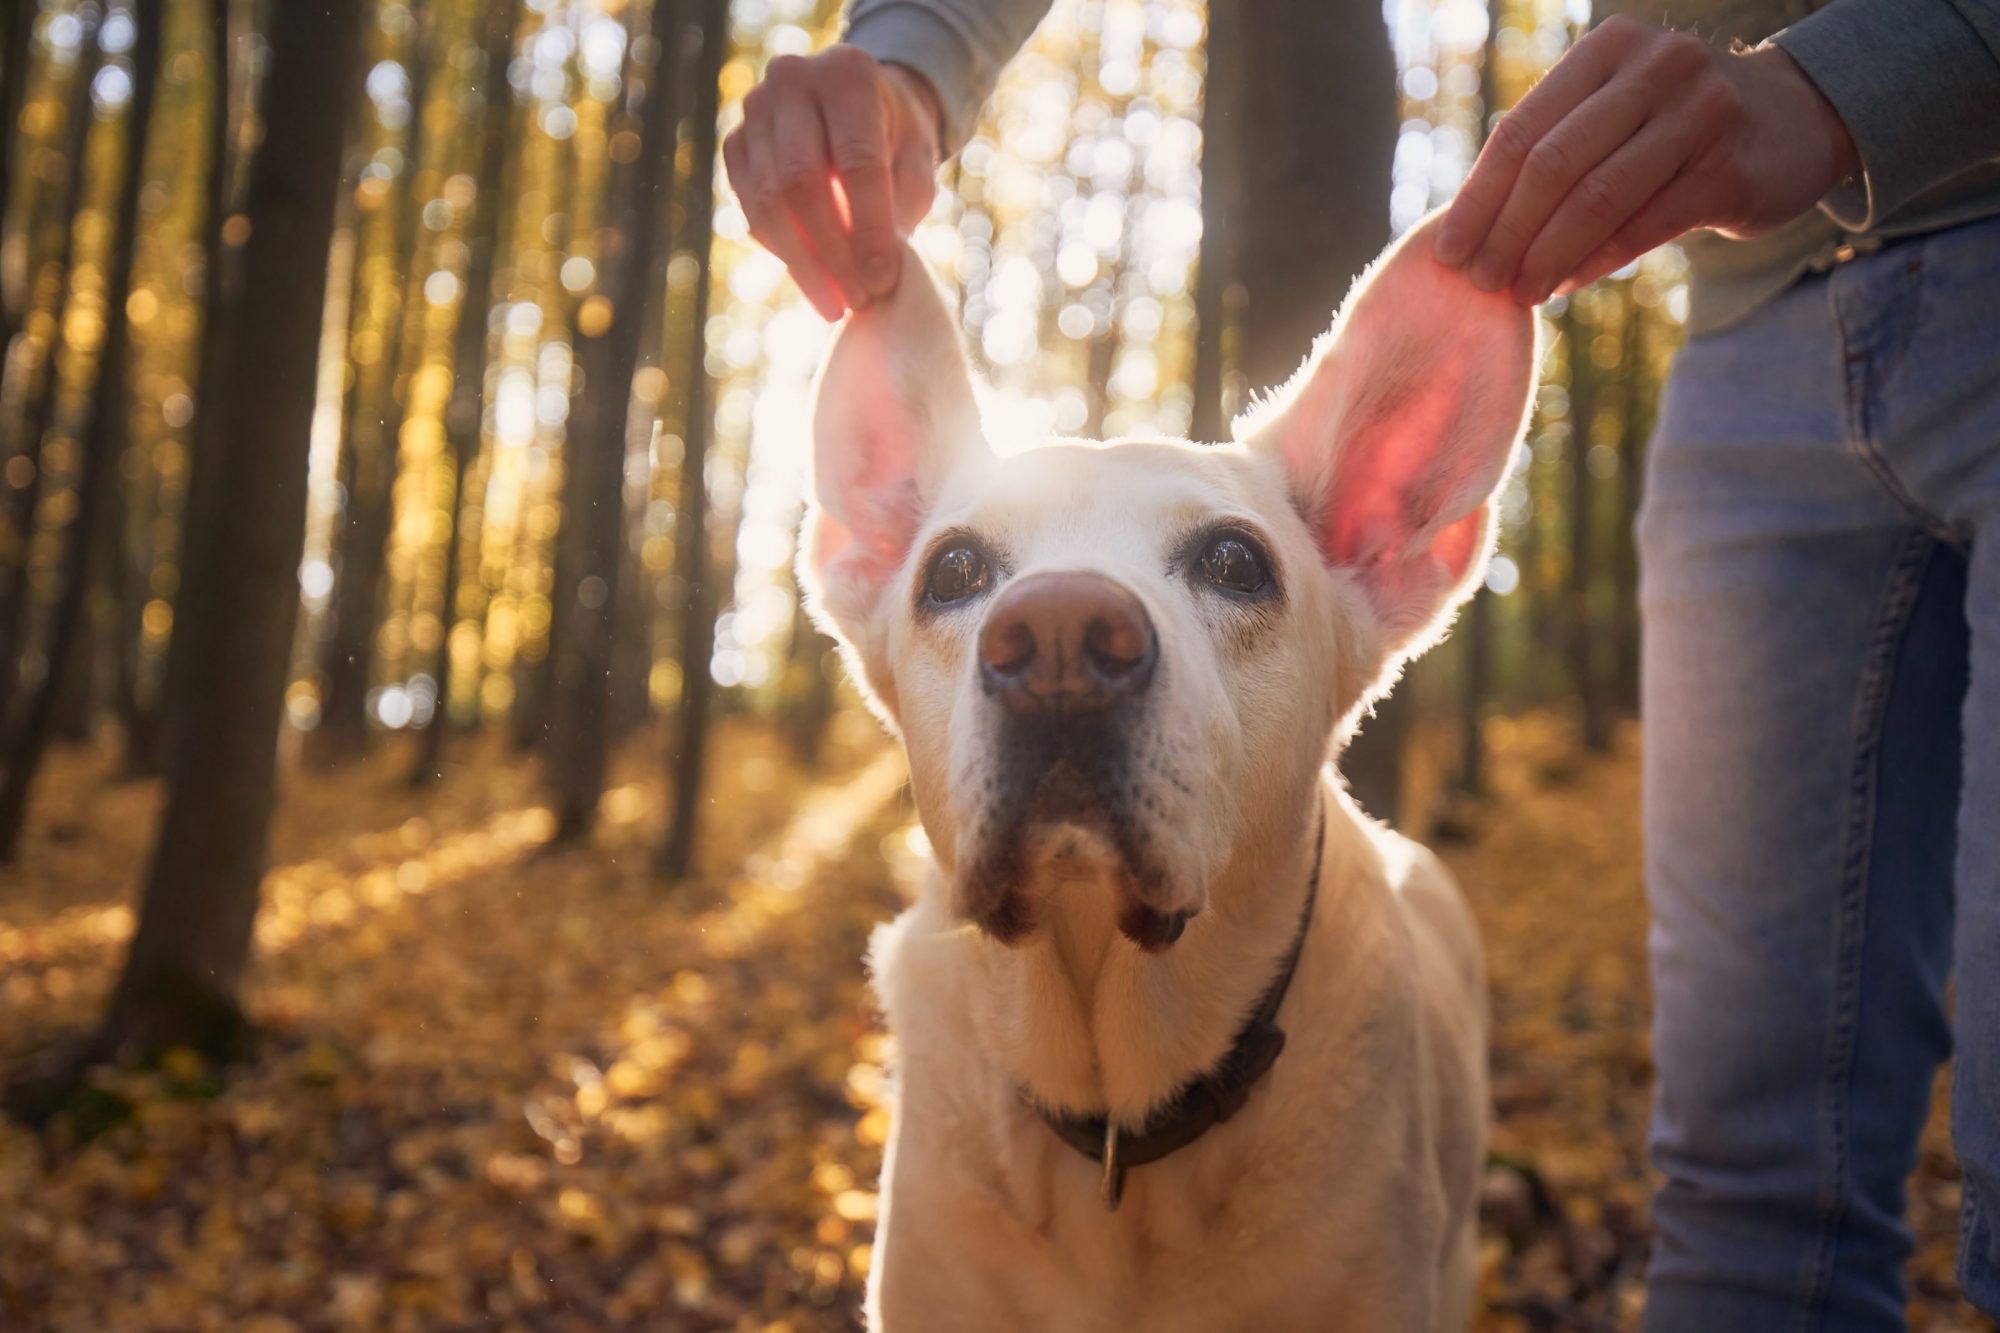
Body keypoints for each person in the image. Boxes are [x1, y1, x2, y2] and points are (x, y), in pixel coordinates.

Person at [723, 1, 2000, 1327]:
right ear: (863, 579)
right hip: (1761, 312)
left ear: (1378, 560)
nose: (1056, 633)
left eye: (1225, 567)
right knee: (1754, 1207)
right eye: (961, 578)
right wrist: (916, 52)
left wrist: (1851, 79)